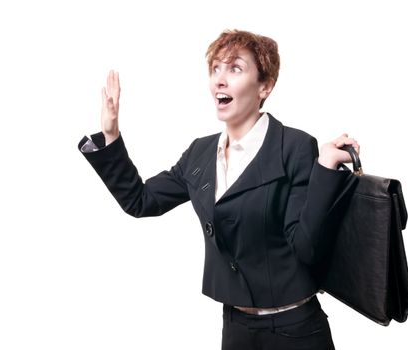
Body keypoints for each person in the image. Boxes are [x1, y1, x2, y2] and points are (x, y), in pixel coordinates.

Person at [79, 29, 360, 350]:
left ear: (265, 86)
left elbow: (308, 248)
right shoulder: (200, 153)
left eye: (235, 68)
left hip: (294, 329)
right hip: (236, 326)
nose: (220, 80)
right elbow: (140, 201)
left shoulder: (294, 147)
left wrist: (324, 169)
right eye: (215, 69)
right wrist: (111, 136)